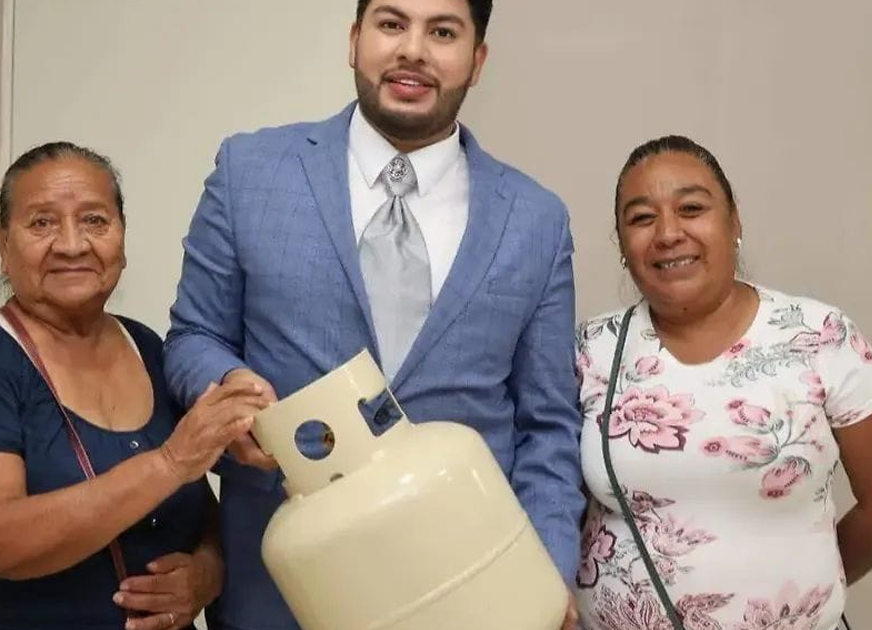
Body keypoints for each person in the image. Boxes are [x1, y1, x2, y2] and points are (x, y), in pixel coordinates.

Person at [164, 0, 584, 628]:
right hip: (280, 588)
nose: (413, 49)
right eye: (392, 24)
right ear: (355, 40)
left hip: (473, 591)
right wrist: (226, 391)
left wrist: (544, 579)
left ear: (478, 60)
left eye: (443, 32)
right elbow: (195, 335)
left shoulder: (536, 220)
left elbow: (546, 426)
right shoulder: (248, 171)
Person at [0, 142, 265, 630]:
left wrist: (206, 573)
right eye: (42, 223)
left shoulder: (147, 348)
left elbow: (199, 510)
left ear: (121, 237)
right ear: (3, 243)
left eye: (94, 220)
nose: (72, 245)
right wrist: (168, 461)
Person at [574, 135, 872, 630]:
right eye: (641, 218)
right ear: (621, 244)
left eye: (691, 208)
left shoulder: (821, 336)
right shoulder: (589, 348)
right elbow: (551, 494)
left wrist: (807, 587)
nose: (668, 233)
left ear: (734, 221)